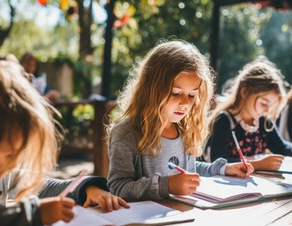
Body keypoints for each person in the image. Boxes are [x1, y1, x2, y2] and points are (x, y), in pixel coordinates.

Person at [0, 61, 128, 226]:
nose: (15, 163)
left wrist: (86, 188)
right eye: (9, 154)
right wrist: (35, 214)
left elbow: (34, 185)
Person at [106, 40, 254, 201]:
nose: (185, 103)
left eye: (192, 95)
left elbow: (186, 171)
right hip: (147, 222)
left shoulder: (184, 128)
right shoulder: (126, 133)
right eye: (176, 93)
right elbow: (117, 187)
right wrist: (166, 185)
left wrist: (222, 169)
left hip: (182, 215)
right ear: (152, 89)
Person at [206, 59, 292, 171]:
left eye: (270, 106)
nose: (267, 110)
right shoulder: (224, 120)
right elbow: (218, 161)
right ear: (244, 92)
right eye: (263, 103)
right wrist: (257, 164)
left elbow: (280, 146)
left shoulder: (262, 121)